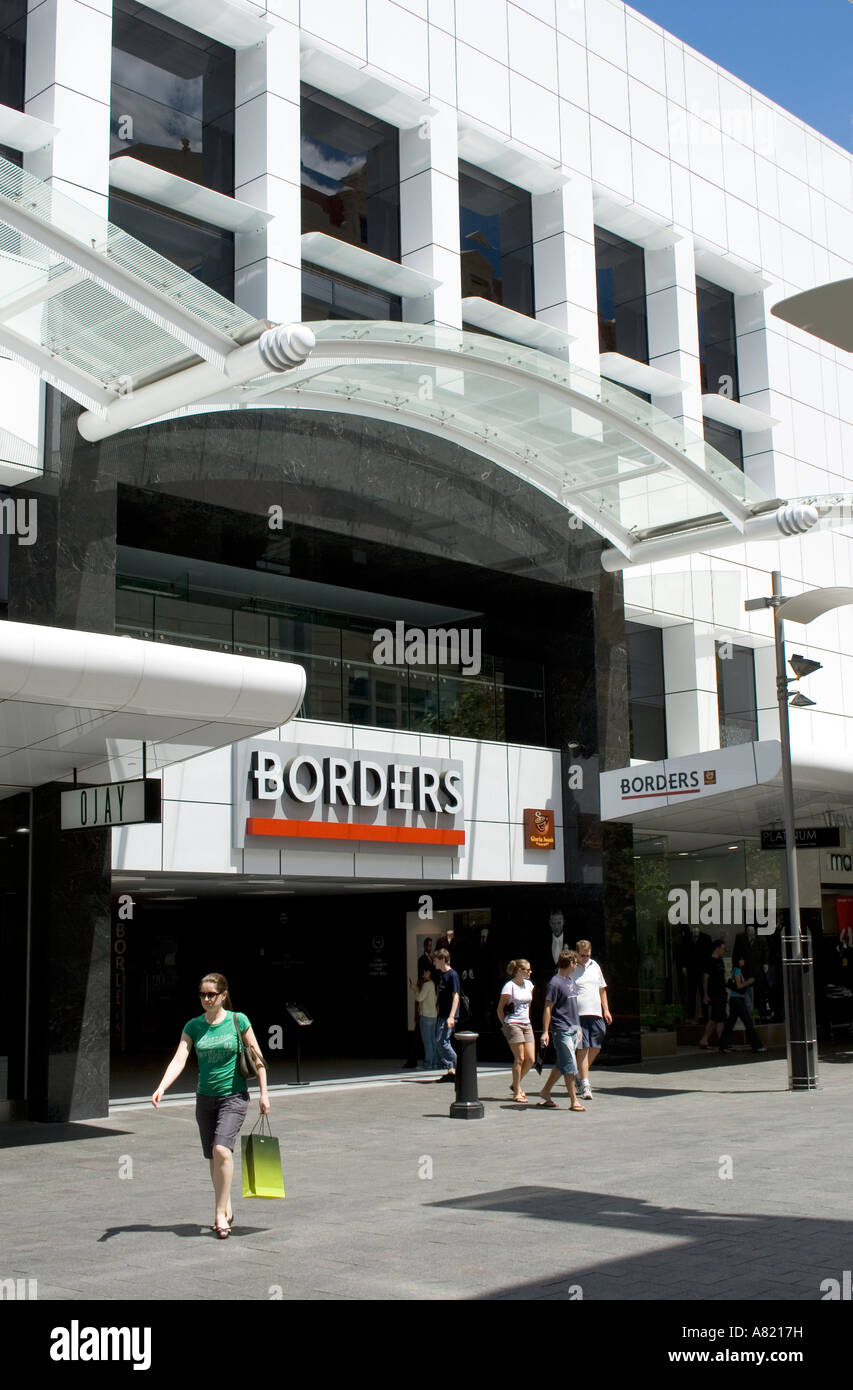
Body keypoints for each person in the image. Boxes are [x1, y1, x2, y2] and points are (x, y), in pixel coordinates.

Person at [152, 972, 269, 1239]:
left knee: (222, 1150)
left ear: (223, 995)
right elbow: (180, 1058)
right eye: (202, 994)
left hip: (234, 1097)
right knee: (212, 1157)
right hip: (205, 1099)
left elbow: (258, 1057)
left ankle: (218, 1215)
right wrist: (162, 1087)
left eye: (211, 994)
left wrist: (264, 1093)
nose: (206, 999)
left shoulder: (238, 1020)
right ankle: (225, 1203)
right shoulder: (194, 1026)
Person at [537, 949, 585, 1111]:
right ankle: (574, 1101)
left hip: (573, 1028)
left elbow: (572, 1007)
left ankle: (545, 1092)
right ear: (570, 963)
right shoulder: (554, 983)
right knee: (570, 1066)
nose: (577, 965)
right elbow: (548, 1008)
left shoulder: (570, 981)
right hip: (561, 1029)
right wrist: (545, 1031)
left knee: (562, 1063)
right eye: (575, 962)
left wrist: (578, 1027)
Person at [571, 940, 611, 1099]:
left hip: (596, 1013)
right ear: (576, 953)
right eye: (582, 955)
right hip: (578, 1015)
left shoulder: (595, 966)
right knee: (583, 1048)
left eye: (588, 955)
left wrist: (606, 1009)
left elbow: (602, 989)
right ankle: (585, 1084)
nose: (585, 958)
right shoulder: (571, 967)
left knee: (596, 1046)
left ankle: (578, 1075)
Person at [498, 959, 535, 1103]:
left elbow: (528, 1006)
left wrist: (528, 1019)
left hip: (526, 1023)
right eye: (527, 970)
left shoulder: (529, 985)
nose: (530, 972)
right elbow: (500, 1009)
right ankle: (517, 1092)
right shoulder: (509, 986)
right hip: (513, 1023)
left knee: (530, 1059)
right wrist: (504, 1025)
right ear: (519, 971)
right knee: (519, 1058)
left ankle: (515, 1084)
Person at [718, 957, 767, 1054]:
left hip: (736, 999)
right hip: (737, 999)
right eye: (742, 959)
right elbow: (739, 986)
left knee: (730, 1023)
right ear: (738, 961)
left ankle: (723, 1045)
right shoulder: (737, 971)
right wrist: (749, 982)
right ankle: (757, 1045)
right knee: (748, 1023)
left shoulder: (737, 971)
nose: (744, 961)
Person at [432, 948, 459, 1082]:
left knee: (442, 1041)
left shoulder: (452, 975)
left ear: (443, 960)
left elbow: (456, 996)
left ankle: (459, 1066)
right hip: (441, 1013)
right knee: (440, 1042)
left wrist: (452, 1016)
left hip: (447, 1015)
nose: (434, 963)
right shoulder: (441, 975)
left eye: (436, 960)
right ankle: (451, 1070)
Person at [699, 939, 728, 1049]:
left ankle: (721, 1040)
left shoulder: (720, 960)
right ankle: (704, 1038)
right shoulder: (709, 961)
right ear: (717, 948)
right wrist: (705, 994)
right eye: (723, 948)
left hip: (722, 992)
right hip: (714, 993)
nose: (724, 951)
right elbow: (705, 978)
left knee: (720, 1017)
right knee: (715, 1017)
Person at [410, 966, 438, 1069]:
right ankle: (435, 1062)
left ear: (429, 973)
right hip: (433, 1015)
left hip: (426, 1016)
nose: (423, 975)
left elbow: (419, 998)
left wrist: (415, 989)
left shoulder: (427, 985)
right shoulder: (433, 985)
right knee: (433, 1041)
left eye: (424, 972)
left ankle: (428, 1064)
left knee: (427, 1042)